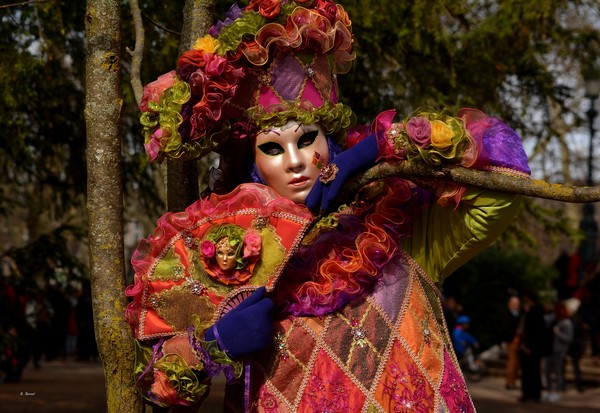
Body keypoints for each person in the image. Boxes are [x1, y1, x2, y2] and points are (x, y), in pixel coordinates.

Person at [125, 2, 530, 411]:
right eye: (272, 148)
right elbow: (158, 388)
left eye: (306, 140)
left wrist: (384, 145)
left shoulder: (396, 228)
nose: (296, 161)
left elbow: (504, 180)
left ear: (329, 142)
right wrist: (213, 345)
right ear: (253, 166)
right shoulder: (229, 255)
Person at [518, 290, 545, 403]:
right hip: (534, 346)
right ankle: (533, 394)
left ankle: (529, 394)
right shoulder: (538, 310)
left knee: (529, 371)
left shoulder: (534, 311)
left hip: (531, 346)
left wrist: (528, 346)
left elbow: (532, 330)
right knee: (533, 371)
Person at [543, 301, 573, 402]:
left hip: (559, 351)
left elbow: (569, 338)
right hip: (549, 349)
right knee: (547, 371)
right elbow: (545, 323)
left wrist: (558, 333)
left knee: (558, 372)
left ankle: (558, 393)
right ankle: (549, 391)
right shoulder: (554, 319)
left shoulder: (567, 323)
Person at [501, 295, 520, 390]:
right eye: (514, 304)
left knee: (515, 363)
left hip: (517, 341)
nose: (516, 305)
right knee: (512, 363)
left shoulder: (517, 314)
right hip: (511, 341)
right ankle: (509, 382)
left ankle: (512, 381)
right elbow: (506, 328)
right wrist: (514, 335)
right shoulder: (508, 315)